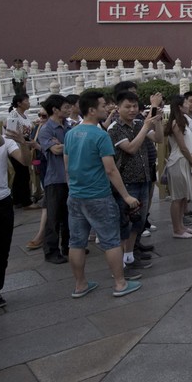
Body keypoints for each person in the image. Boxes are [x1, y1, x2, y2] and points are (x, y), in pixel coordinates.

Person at [63, 90, 142, 301]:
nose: (106, 108)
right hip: (98, 195)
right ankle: (120, 283)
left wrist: (73, 187)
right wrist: (126, 196)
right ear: (91, 110)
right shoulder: (100, 135)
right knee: (111, 240)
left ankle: (80, 285)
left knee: (76, 242)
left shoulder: (71, 133)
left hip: (75, 195)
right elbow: (110, 169)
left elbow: (67, 165)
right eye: (102, 105)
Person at [0, 104, 37, 317]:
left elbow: (26, 161)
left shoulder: (4, 141)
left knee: (1, 252)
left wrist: (22, 143)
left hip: (2, 201)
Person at [108, 90, 164, 273]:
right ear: (118, 108)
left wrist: (158, 121)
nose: (132, 110)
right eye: (128, 107)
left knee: (138, 221)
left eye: (134, 106)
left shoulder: (139, 123)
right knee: (125, 222)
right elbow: (131, 148)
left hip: (144, 178)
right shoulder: (115, 129)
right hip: (126, 182)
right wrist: (147, 125)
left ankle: (130, 256)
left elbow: (159, 139)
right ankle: (121, 263)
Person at [37, 94, 71, 264]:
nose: (69, 110)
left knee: (68, 216)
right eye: (65, 107)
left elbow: (60, 147)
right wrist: (70, 145)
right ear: (55, 110)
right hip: (55, 178)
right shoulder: (46, 129)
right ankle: (51, 251)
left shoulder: (68, 126)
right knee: (54, 217)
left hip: (69, 177)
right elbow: (56, 150)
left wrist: (62, 145)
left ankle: (68, 247)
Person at [164, 95, 192, 239]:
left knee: (183, 196)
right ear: (179, 106)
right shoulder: (176, 123)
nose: (188, 105)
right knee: (177, 198)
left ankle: (181, 226)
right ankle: (176, 229)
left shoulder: (183, 121)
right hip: (179, 161)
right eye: (186, 103)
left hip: (185, 160)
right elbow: (182, 147)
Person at [4, 93, 36, 208]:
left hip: (25, 145)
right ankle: (25, 201)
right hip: (16, 147)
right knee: (22, 174)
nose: (28, 103)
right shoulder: (14, 114)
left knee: (22, 174)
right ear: (19, 103)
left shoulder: (25, 115)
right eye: (26, 100)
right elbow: (10, 131)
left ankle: (18, 200)